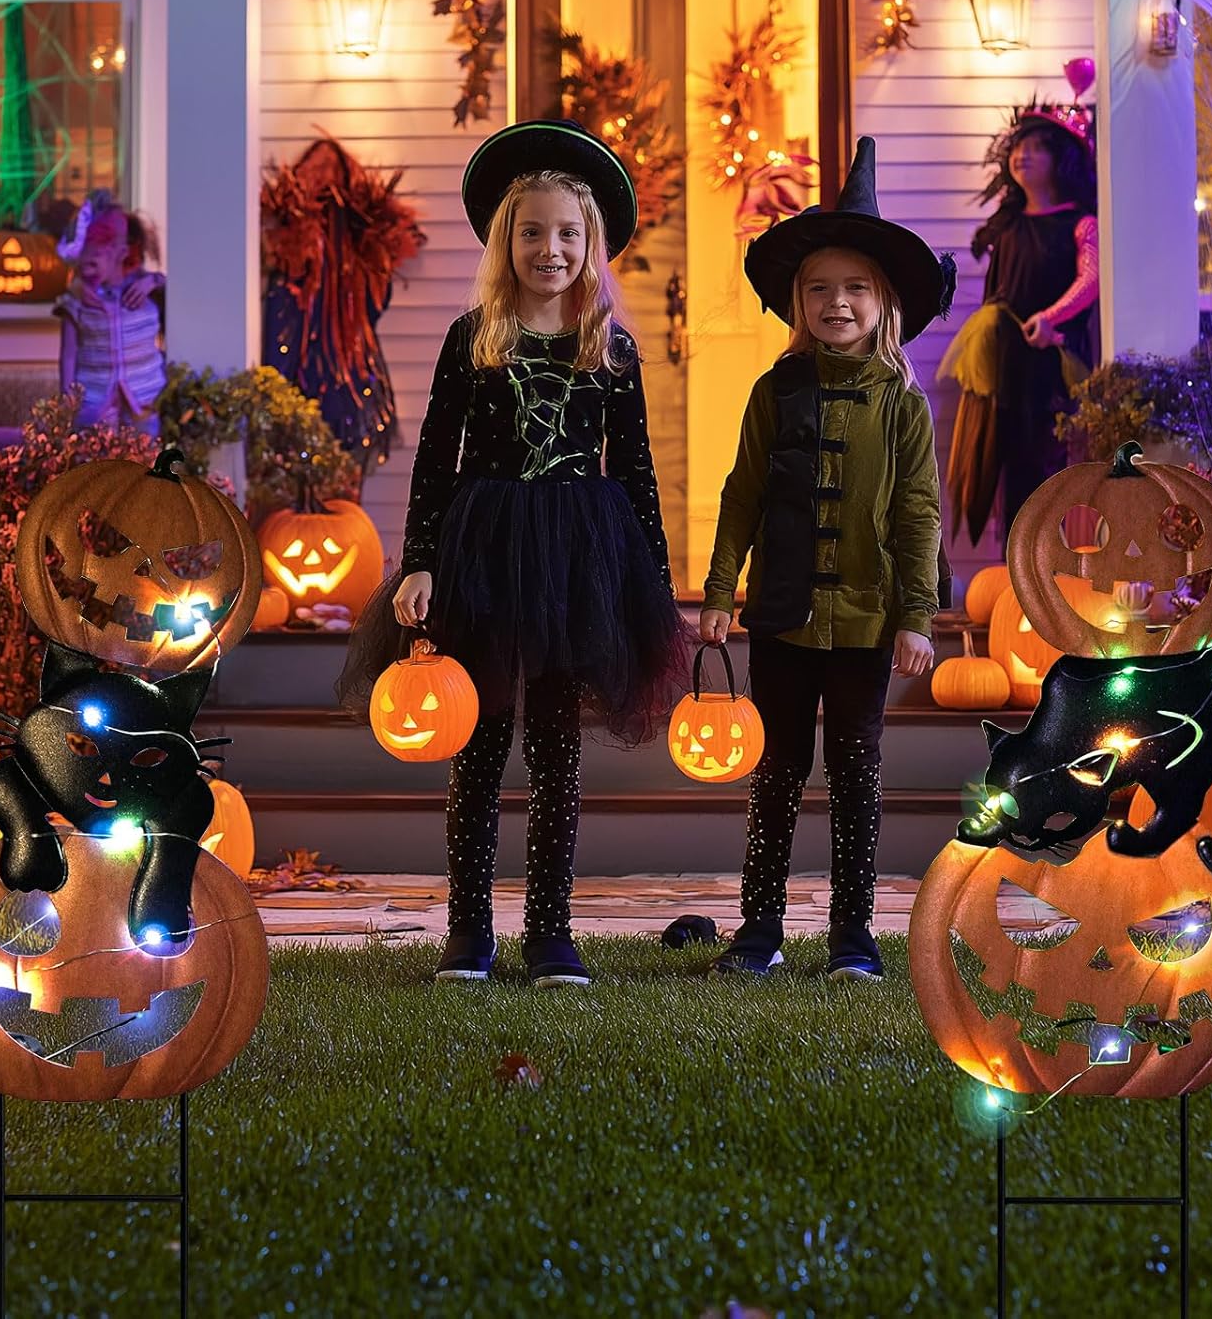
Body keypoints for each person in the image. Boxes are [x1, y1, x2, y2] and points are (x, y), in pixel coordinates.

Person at [338, 120, 687, 988]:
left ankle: (551, 931)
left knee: (559, 747)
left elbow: (636, 468)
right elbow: (434, 459)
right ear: (505, 240)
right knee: (481, 739)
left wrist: (651, 577)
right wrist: (419, 560)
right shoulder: (472, 338)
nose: (551, 248)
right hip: (485, 549)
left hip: (580, 556)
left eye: (568, 233)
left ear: (590, 243)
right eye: (532, 230)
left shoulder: (611, 347)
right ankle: (468, 931)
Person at [700, 137, 951, 980]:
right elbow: (742, 492)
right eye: (819, 289)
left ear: (882, 302)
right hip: (779, 617)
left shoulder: (903, 406)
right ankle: (759, 929)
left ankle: (853, 935)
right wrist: (716, 589)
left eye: (854, 289)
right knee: (777, 772)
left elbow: (919, 513)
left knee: (855, 773)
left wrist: (918, 616)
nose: (835, 302)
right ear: (798, 303)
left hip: (868, 623)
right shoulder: (775, 392)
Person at [938, 93, 1098, 545]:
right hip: (1008, 368)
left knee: (1056, 461)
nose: (1023, 155)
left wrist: (1051, 317)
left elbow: (1091, 279)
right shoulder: (1005, 226)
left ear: (1061, 159)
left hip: (1053, 365)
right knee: (1009, 464)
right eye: (1018, 147)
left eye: (1037, 147)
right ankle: (1014, 575)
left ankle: (1061, 568)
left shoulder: (1079, 223)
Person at [56, 190, 166, 435]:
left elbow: (177, 296)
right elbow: (68, 356)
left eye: (97, 256)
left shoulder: (147, 292)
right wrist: (67, 406)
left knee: (145, 464)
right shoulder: (76, 303)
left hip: (144, 401)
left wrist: (154, 282)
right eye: (83, 261)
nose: (88, 268)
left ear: (122, 253)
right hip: (94, 405)